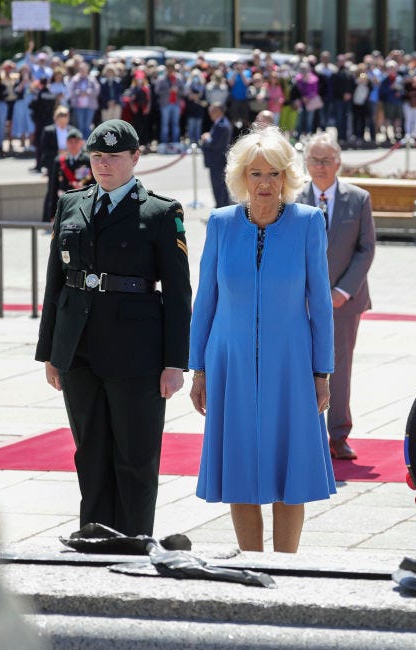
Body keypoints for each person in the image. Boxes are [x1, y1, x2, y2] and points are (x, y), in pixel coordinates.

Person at [35, 119, 192, 536]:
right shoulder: (72, 204)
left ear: (136, 158)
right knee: (90, 452)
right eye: (97, 156)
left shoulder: (160, 212)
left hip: (135, 351)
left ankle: (134, 541)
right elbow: (55, 281)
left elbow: (178, 293)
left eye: (114, 156)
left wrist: (175, 361)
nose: (103, 164)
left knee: (135, 456)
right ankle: (95, 535)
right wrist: (51, 350)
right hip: (79, 348)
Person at [189, 125, 335, 553]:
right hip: (229, 363)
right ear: (241, 178)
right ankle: (251, 564)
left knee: (290, 475)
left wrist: (321, 372)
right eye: (255, 174)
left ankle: (287, 567)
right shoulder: (220, 224)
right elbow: (205, 301)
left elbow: (321, 304)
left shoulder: (309, 223)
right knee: (240, 469)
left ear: (287, 177)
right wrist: (197, 368)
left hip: (291, 365)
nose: (265, 183)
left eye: (273, 174)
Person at [297, 133, 375, 461]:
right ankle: (304, 435)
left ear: (338, 161)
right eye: (314, 160)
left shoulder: (358, 199)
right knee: (300, 368)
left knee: (339, 369)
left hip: (343, 302)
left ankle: (338, 436)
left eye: (326, 160)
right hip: (299, 303)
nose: (320, 166)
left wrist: (341, 291)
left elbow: (365, 248)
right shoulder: (293, 199)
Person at [42, 129, 92, 222]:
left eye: (76, 142)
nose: (73, 145)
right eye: (70, 142)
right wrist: (53, 213)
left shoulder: (88, 160)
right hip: (65, 203)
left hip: (83, 202)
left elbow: (94, 183)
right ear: (66, 143)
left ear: (81, 143)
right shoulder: (59, 161)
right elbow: (53, 187)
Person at [200, 104, 232, 208]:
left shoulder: (222, 125)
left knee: (218, 187)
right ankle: (222, 206)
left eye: (212, 111)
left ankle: (221, 207)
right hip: (217, 161)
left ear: (219, 111)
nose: (210, 114)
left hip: (217, 161)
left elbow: (214, 144)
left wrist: (206, 138)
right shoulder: (219, 123)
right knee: (220, 187)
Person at [35, 106, 77, 174]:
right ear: (55, 119)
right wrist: (58, 152)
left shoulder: (73, 130)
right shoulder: (48, 131)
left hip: (69, 162)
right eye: (60, 121)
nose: (62, 123)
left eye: (64, 120)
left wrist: (69, 152)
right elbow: (44, 148)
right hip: (53, 163)